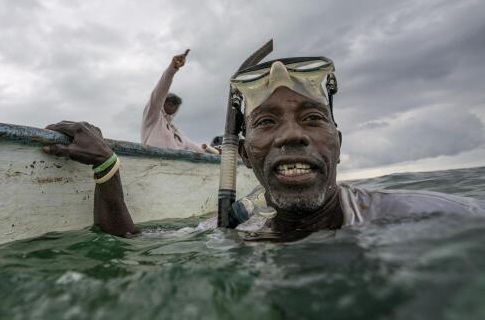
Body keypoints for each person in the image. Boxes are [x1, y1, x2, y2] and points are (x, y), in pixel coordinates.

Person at [43, 57, 485, 238]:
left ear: (338, 144)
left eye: (313, 119)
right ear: (249, 155)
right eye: (267, 123)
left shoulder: (440, 218)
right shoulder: (244, 233)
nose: (292, 135)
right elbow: (132, 247)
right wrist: (107, 167)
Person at [140, 49, 204, 153]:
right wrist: (171, 69)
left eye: (175, 104)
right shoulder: (152, 117)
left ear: (177, 108)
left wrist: (218, 152)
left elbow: (194, 147)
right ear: (162, 102)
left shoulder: (176, 131)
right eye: (168, 101)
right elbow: (159, 93)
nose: (171, 104)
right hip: (152, 166)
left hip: (172, 167)